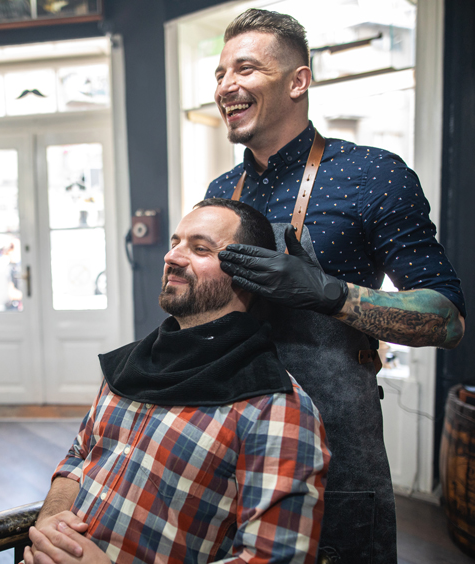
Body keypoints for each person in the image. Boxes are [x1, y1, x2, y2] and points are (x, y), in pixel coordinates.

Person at [206, 8, 466, 564]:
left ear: (298, 81)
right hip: (238, 436)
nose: (227, 86)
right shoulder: (223, 191)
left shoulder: (374, 173)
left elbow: (447, 318)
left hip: (337, 441)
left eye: (245, 69)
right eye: (220, 74)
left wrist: (330, 293)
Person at [23, 199, 330, 564]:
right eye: (175, 243)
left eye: (200, 248)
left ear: (249, 274)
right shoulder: (128, 367)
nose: (173, 257)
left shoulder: (275, 408)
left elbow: (276, 558)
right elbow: (78, 458)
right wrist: (52, 524)